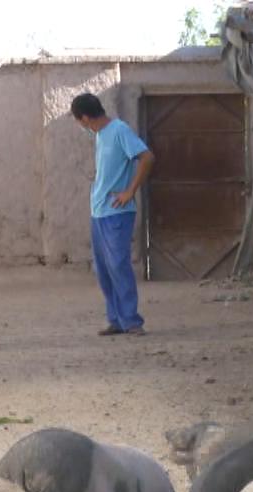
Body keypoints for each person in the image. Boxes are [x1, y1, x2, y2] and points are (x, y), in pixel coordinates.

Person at [70, 92, 154, 337]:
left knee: (118, 265)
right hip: (99, 212)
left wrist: (130, 191)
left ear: (85, 118)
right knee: (104, 268)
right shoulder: (99, 135)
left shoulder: (119, 130)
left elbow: (147, 157)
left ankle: (131, 320)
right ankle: (116, 319)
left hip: (117, 211)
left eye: (78, 120)